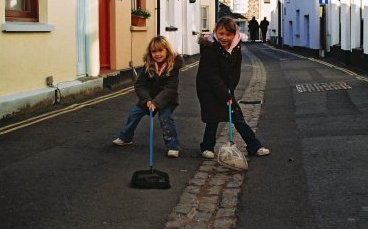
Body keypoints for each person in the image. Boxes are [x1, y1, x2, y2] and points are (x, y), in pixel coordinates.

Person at [196, 17, 270, 159]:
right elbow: (211, 76)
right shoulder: (210, 50)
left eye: (228, 35)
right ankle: (207, 147)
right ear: (215, 32)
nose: (224, 38)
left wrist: (230, 91)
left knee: (237, 117)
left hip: (226, 90)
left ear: (234, 34)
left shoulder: (235, 49)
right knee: (213, 118)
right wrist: (225, 95)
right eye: (221, 34)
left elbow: (235, 72)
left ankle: (254, 146)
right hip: (209, 90)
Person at [113, 36, 183, 158]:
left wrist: (156, 102)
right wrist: (148, 100)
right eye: (154, 51)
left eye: (160, 51)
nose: (157, 54)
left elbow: (170, 89)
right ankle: (126, 137)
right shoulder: (149, 65)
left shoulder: (173, 67)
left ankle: (172, 146)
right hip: (149, 99)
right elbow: (139, 85)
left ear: (167, 50)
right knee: (134, 114)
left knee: (165, 118)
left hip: (166, 100)